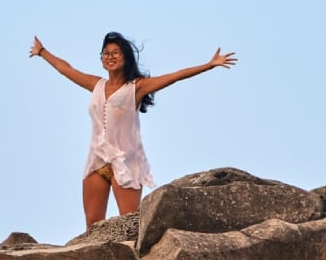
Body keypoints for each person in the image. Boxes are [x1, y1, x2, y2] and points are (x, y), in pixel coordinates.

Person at [28, 32, 236, 228]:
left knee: (129, 223)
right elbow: (66, 69)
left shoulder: (136, 87)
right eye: (106, 53)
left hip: (126, 162)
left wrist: (210, 65)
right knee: (92, 225)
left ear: (126, 58)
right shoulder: (96, 84)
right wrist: (42, 51)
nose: (110, 57)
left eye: (115, 53)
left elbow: (174, 76)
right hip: (97, 160)